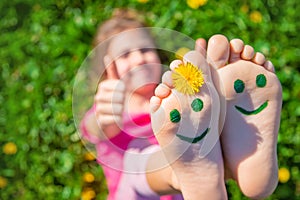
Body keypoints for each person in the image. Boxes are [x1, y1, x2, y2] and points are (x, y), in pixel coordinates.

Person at [80, 8, 282, 200]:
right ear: (108, 68)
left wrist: (207, 92)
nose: (139, 59)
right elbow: (94, 128)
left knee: (199, 130)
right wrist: (104, 117)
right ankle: (188, 167)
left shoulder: (175, 100)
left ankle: (233, 145)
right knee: (135, 163)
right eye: (125, 55)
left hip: (187, 193)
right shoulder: (110, 109)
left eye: (144, 49)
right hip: (133, 193)